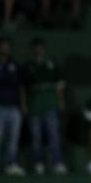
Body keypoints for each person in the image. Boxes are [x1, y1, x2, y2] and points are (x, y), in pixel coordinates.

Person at [23, 38, 66, 175]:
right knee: (36, 137)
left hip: (50, 103)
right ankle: (38, 163)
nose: (38, 50)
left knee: (54, 135)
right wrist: (24, 104)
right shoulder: (28, 66)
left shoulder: (52, 64)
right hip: (35, 104)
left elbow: (59, 86)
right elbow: (23, 88)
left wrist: (60, 102)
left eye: (41, 47)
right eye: (36, 47)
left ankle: (57, 163)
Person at [0, 38, 24, 177]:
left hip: (14, 106)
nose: (5, 49)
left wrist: (22, 105)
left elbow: (20, 86)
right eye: (3, 46)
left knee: (13, 137)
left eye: (8, 46)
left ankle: (11, 164)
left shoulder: (15, 64)